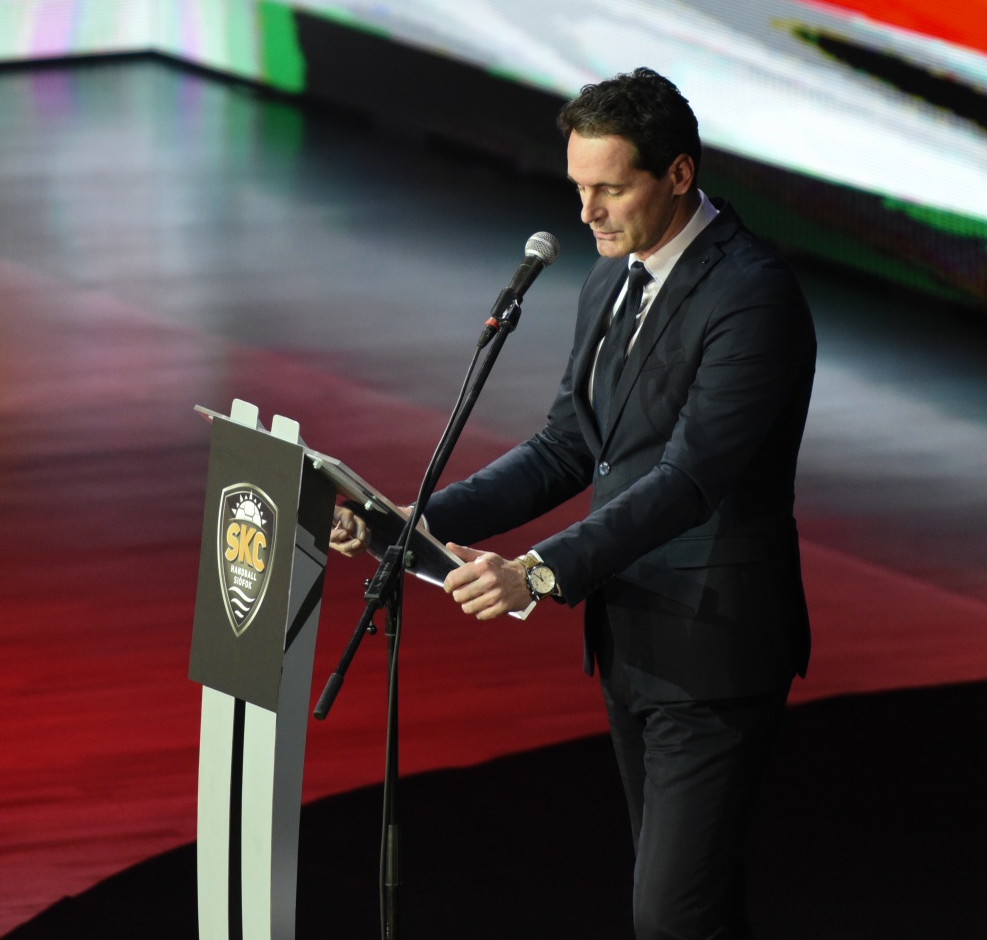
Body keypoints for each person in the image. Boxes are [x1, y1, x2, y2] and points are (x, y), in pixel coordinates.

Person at [332, 68, 815, 938]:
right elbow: (567, 446)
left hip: (715, 647)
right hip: (630, 635)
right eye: (578, 187)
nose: (588, 211)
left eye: (610, 189)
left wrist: (537, 570)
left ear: (678, 173)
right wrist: (415, 521)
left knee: (670, 915)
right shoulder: (610, 277)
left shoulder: (751, 294)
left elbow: (689, 479)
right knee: (697, 908)